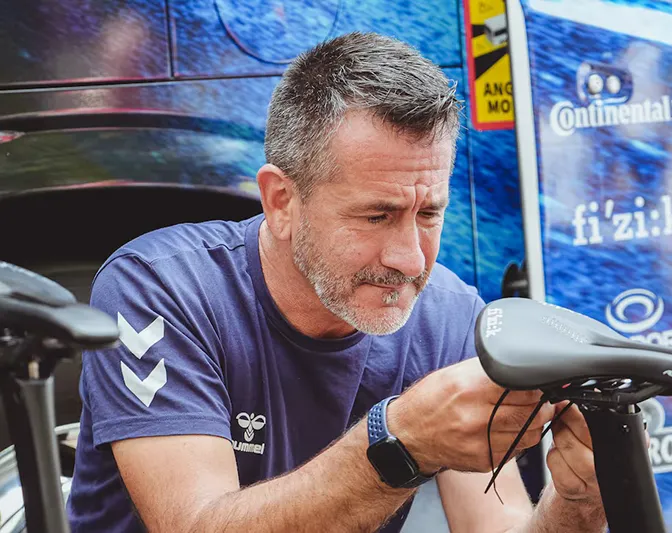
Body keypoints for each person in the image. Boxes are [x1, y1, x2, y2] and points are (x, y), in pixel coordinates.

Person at [66, 32, 607, 533]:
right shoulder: (160, 288)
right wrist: (397, 445)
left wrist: (578, 503)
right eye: (376, 216)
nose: (410, 260)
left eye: (428, 214)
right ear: (281, 201)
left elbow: (499, 523)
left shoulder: (447, 315)